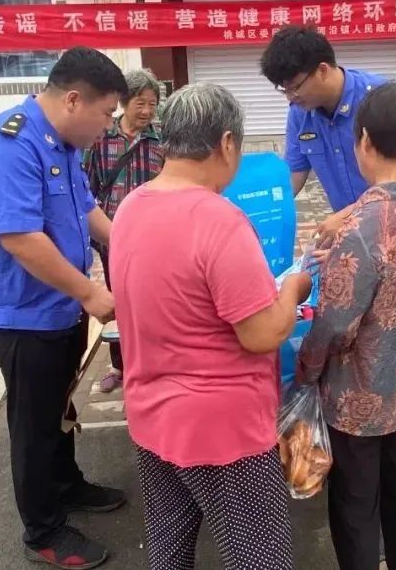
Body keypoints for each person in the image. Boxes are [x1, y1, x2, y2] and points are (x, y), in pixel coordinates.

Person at [109, 82, 313, 570]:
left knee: (170, 549)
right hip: (222, 430)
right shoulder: (220, 220)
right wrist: (292, 290)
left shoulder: (131, 207)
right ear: (226, 143)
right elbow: (261, 334)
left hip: (152, 415)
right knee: (260, 559)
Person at [0, 47, 129, 570]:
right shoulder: (7, 146)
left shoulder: (63, 143)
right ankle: (43, 529)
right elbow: (19, 238)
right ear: (73, 100)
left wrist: (134, 248)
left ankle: (65, 484)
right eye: (106, 114)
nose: (108, 126)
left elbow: (88, 210)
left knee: (59, 403)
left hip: (59, 305)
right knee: (33, 421)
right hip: (21, 312)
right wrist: (89, 292)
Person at [261, 25, 396, 454]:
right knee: (360, 323)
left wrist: (348, 215)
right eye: (283, 90)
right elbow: (294, 176)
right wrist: (264, 212)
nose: (290, 97)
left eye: (294, 87)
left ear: (323, 69)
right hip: (353, 239)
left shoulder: (381, 103)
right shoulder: (302, 114)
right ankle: (365, 404)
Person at [297, 83, 396, 570]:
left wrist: (305, 371)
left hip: (358, 397)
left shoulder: (362, 227)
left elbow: (335, 327)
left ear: (363, 140)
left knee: (355, 505)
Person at [82, 68, 165, 394]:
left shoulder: (161, 140)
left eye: (152, 104)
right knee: (119, 301)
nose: (146, 111)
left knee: (154, 300)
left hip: (154, 239)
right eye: (140, 103)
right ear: (125, 102)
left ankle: (152, 364)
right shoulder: (101, 139)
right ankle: (120, 365)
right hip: (112, 239)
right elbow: (85, 188)